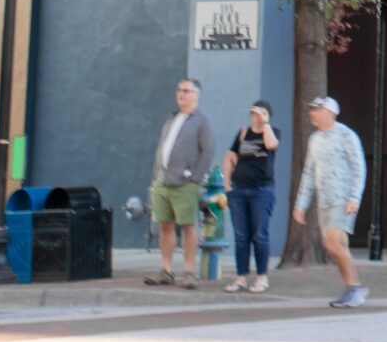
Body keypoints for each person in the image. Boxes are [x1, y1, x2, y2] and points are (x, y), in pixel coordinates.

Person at [293, 95, 368, 309]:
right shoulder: (314, 139)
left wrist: (354, 198)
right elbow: (309, 172)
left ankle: (354, 287)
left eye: (317, 109)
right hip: (324, 202)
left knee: (331, 243)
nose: (312, 113)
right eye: (312, 109)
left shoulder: (346, 135)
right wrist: (301, 204)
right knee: (338, 247)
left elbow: (359, 167)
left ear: (330, 113)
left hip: (342, 199)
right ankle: (351, 289)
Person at [146, 78, 217, 288]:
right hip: (162, 182)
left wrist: (195, 180)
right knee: (164, 225)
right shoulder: (172, 117)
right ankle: (166, 271)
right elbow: (162, 147)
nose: (181, 94)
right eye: (179, 90)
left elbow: (208, 151)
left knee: (188, 227)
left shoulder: (201, 121)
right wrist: (156, 176)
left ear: (196, 95)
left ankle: (189, 272)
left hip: (184, 184)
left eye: (186, 90)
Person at [221, 100, 280, 294]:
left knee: (259, 235)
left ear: (268, 116)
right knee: (241, 236)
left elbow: (271, 145)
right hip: (239, 191)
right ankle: (241, 277)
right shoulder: (243, 133)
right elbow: (230, 157)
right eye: (254, 113)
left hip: (261, 191)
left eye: (262, 113)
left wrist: (265, 124)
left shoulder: (273, 132)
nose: (257, 116)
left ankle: (262, 278)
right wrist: (227, 183)